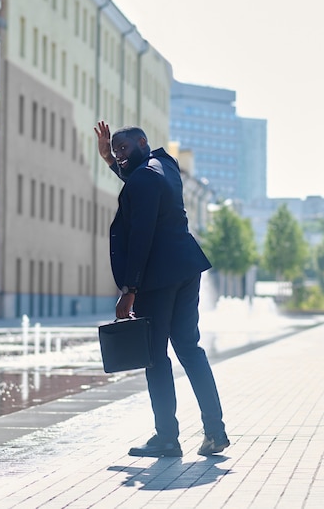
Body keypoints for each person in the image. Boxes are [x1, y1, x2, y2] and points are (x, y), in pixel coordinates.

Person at [94, 120, 229, 458]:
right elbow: (141, 184)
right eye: (117, 151)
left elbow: (141, 235)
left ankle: (167, 438)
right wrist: (110, 161)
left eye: (124, 149)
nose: (120, 155)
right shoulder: (166, 166)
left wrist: (130, 288)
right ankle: (215, 431)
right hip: (187, 267)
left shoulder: (142, 178)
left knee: (155, 358)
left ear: (141, 142)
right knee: (190, 349)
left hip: (158, 277)